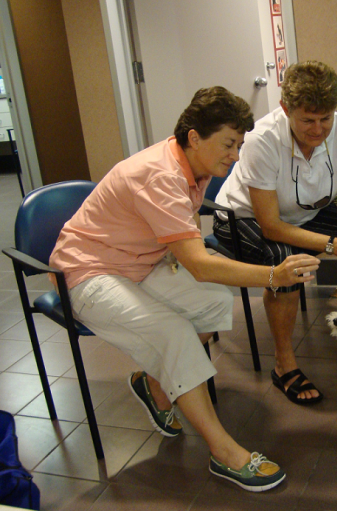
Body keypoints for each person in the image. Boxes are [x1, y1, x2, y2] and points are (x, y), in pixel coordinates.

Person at [49, 86, 320, 492]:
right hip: (88, 272)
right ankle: (224, 453)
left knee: (212, 303)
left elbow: (187, 243)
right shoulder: (158, 174)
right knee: (173, 332)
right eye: (229, 144)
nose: (236, 154)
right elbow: (199, 263)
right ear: (195, 137)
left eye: (239, 144)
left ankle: (155, 383)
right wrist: (272, 275)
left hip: (137, 262)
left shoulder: (196, 166)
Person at [213, 61, 337, 406]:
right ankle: (284, 365)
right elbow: (270, 226)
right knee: (288, 262)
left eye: (325, 118)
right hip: (242, 219)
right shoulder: (262, 140)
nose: (318, 129)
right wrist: (332, 244)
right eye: (308, 120)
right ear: (286, 109)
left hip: (304, 213)